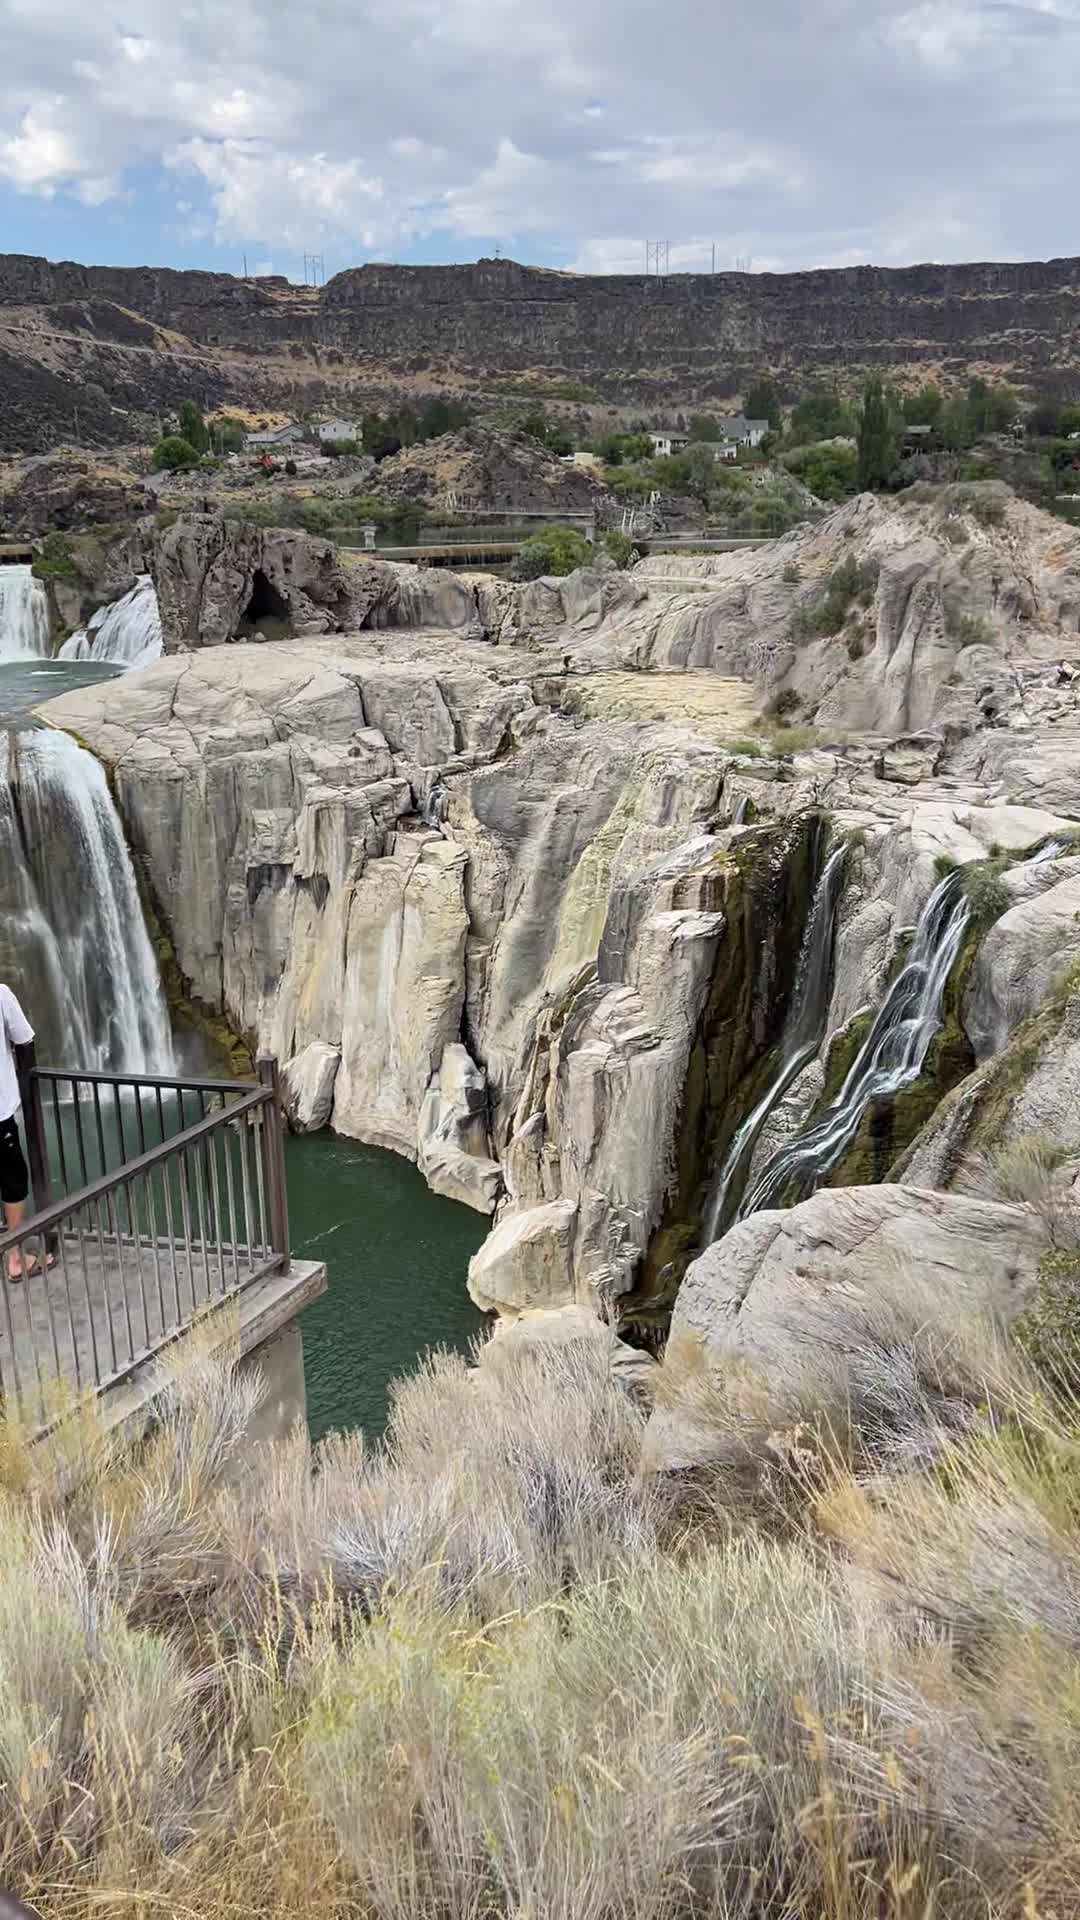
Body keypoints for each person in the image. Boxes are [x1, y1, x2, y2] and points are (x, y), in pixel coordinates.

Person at [0, 984, 34, 1281]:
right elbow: (24, 1039)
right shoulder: (1, 995)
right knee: (13, 1182)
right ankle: (14, 1258)